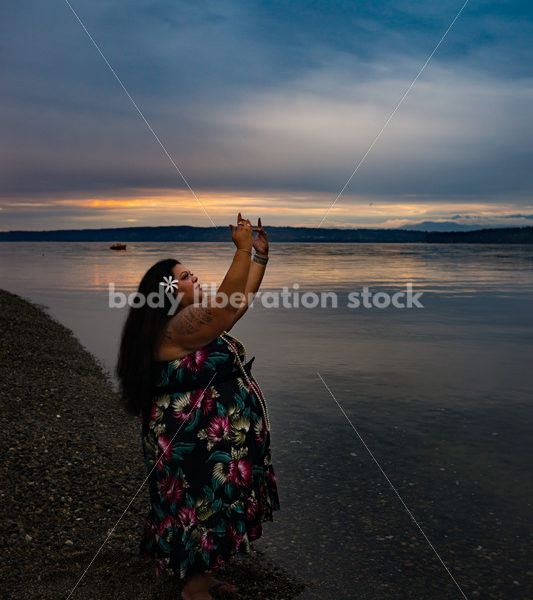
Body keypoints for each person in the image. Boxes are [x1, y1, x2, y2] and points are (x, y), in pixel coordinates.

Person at [116, 213, 280, 600]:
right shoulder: (175, 327)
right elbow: (225, 308)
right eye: (188, 276)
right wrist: (241, 250)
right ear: (170, 289)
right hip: (189, 441)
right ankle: (193, 588)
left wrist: (258, 259)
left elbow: (234, 308)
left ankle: (202, 578)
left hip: (202, 439)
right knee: (198, 509)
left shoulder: (193, 323)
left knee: (211, 506)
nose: (196, 278)